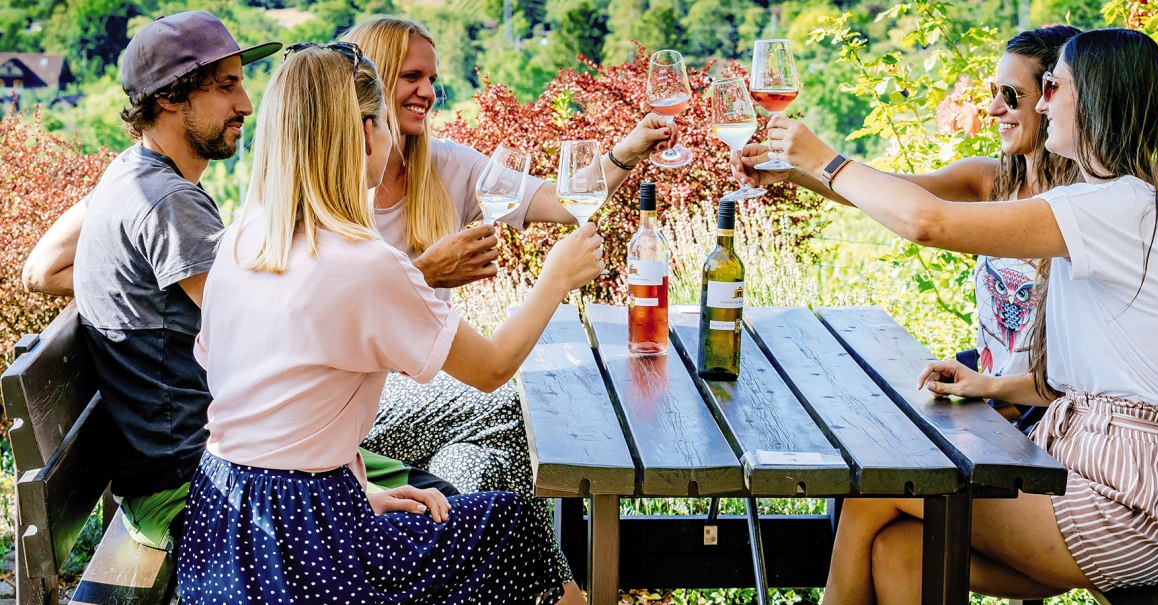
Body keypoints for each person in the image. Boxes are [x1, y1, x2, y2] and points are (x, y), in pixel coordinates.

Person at [755, 28, 1158, 600]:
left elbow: (928, 222)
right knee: (901, 554)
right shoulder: (1113, 202)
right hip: (1087, 471)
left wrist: (825, 160)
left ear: (1094, 98)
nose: (1041, 105)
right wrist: (990, 383)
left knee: (882, 484)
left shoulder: (1116, 206)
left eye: (1053, 87)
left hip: (1129, 505)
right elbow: (1097, 381)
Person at [178, 43, 602, 604]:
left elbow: (273, 407)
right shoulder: (365, 263)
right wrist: (556, 279)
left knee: (482, 519)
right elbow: (492, 369)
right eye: (382, 122)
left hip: (224, 530)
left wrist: (361, 495)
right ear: (364, 136)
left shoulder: (241, 241)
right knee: (513, 525)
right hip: (306, 553)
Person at [19, 11, 453, 552]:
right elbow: (280, 328)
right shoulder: (170, 204)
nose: (247, 105)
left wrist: (138, 291)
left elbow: (40, 270)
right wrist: (414, 281)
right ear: (169, 97)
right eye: (226, 87)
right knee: (437, 503)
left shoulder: (128, 175)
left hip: (185, 466)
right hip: (204, 485)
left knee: (420, 482)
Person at [342, 16, 674, 593]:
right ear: (371, 82)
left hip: (434, 380)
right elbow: (334, 318)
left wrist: (628, 149)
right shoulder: (334, 189)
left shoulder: (446, 165)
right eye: (411, 77)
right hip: (364, 398)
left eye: (432, 79)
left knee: (481, 467)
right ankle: (561, 591)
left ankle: (482, 555)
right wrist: (427, 274)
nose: (426, 92)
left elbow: (562, 202)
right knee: (511, 410)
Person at [734, 25, 1080, 433]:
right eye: (993, 90)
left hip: (1045, 418)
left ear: (1054, 97)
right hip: (990, 402)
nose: (992, 109)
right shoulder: (991, 180)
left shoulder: (1077, 205)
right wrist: (794, 171)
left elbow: (924, 222)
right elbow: (888, 194)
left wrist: (822, 160)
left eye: (1010, 94)